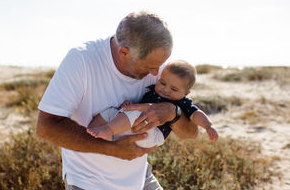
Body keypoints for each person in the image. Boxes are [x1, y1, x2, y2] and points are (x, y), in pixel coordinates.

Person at [36, 11, 198, 190]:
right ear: (124, 52)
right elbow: (47, 127)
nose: (155, 74)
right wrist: (113, 150)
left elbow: (191, 133)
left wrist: (174, 113)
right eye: (151, 67)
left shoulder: (160, 72)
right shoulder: (82, 60)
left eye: (160, 66)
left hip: (140, 180)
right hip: (90, 186)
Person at [87, 60, 219, 147]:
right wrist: (129, 104)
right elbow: (140, 104)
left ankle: (107, 130)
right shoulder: (151, 90)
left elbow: (196, 114)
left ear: (186, 93)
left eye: (173, 89)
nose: (165, 90)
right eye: (162, 83)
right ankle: (95, 133)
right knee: (112, 112)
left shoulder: (182, 101)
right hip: (138, 124)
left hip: (153, 133)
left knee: (135, 114)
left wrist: (208, 126)